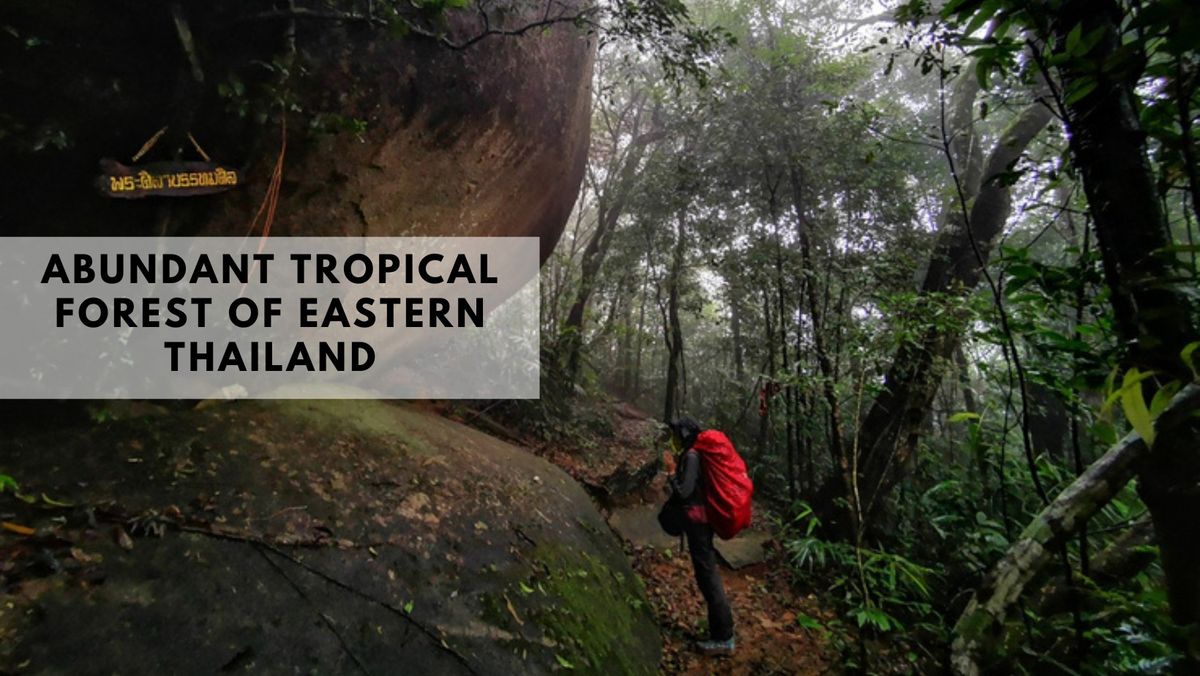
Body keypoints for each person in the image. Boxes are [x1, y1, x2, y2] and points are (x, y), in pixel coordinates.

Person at [662, 416, 735, 655]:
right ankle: (721, 633)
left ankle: (724, 637)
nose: (673, 439)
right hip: (701, 523)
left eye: (676, 435)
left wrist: (672, 472)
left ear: (684, 435)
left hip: (698, 525)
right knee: (706, 575)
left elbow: (684, 492)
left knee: (709, 578)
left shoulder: (693, 456)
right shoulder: (695, 454)